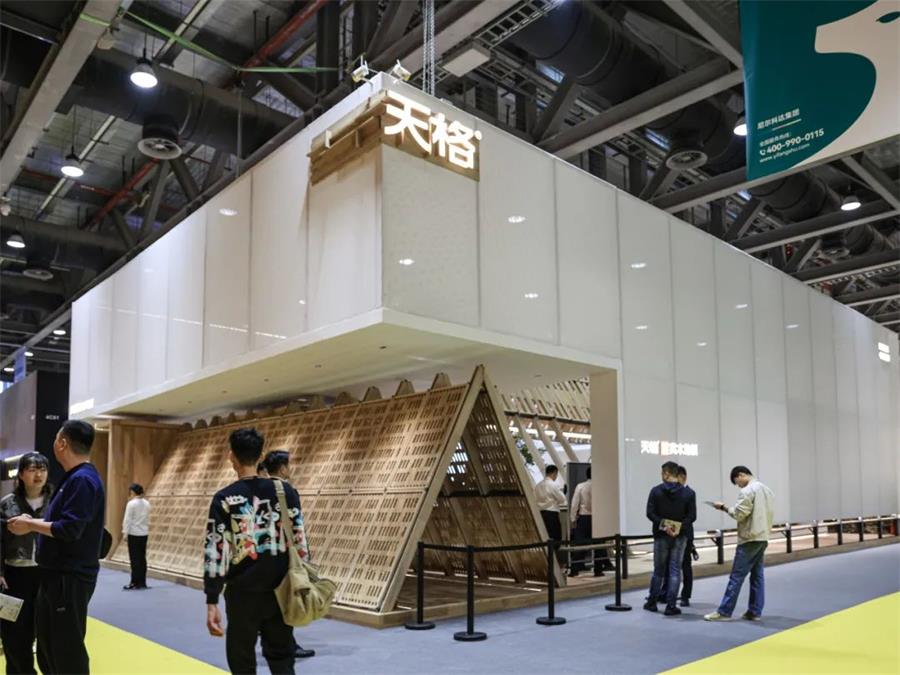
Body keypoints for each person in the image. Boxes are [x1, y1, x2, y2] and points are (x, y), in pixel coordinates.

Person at [204, 429, 310, 675]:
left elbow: (216, 551)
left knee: (241, 660)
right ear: (261, 455)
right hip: (281, 590)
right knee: (282, 658)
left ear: (231, 456)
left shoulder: (224, 499)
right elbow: (300, 541)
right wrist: (303, 580)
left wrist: (212, 599)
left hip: (243, 593)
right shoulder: (286, 492)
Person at [7, 420, 105, 675]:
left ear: (62, 443)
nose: (37, 475)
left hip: (68, 578)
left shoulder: (82, 480)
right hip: (50, 576)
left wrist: (31, 525)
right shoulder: (73, 478)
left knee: (65, 649)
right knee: (47, 648)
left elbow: (69, 529)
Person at [260, 450, 315, 660]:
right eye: (288, 465)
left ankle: (271, 641)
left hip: (264, 554)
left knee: (269, 601)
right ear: (283, 468)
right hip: (284, 556)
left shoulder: (259, 489)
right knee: (287, 600)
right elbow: (296, 526)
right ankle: (288, 645)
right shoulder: (288, 491)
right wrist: (303, 555)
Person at [0, 452, 52, 675]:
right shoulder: (7, 504)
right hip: (14, 576)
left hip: (48, 575)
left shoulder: (57, 502)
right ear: (21, 474)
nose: (38, 474)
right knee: (13, 634)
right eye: (32, 469)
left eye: (42, 469)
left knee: (49, 634)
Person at [705, 466, 775, 622]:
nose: (738, 486)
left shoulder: (747, 491)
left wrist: (723, 507)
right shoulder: (767, 490)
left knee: (736, 576)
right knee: (757, 576)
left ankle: (724, 612)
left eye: (737, 482)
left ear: (741, 475)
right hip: (762, 537)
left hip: (749, 539)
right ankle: (754, 611)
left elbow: (739, 514)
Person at [644, 461, 695, 616]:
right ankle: (671, 605)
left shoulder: (656, 491)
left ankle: (652, 602)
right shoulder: (688, 494)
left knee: (658, 571)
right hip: (680, 536)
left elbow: (650, 513)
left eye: (662, 473)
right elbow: (692, 516)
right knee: (675, 570)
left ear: (666, 474)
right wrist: (677, 528)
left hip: (661, 536)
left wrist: (664, 525)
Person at [657, 465, 698, 607]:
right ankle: (665, 594)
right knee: (669, 566)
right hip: (668, 533)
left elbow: (691, 516)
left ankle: (685, 595)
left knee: (685, 565)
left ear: (683, 477)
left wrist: (677, 528)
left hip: (684, 534)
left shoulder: (689, 493)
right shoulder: (666, 492)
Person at [122, 483, 151, 591]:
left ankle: (134, 582)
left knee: (134, 559)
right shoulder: (147, 503)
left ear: (133, 492)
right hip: (144, 533)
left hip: (133, 533)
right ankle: (142, 582)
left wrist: (125, 533)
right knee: (142, 558)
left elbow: (128, 520)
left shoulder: (131, 504)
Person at [534, 464, 567, 547]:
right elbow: (562, 499)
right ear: (554, 473)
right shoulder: (552, 484)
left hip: (541, 513)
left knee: (545, 536)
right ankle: (555, 554)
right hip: (552, 513)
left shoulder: (538, 485)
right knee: (555, 537)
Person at [568, 466, 592, 576]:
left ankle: (575, 569)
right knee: (598, 543)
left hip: (584, 517)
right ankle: (598, 570)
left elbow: (574, 504)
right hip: (597, 518)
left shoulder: (580, 486)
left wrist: (573, 519)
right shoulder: (600, 486)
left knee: (580, 544)